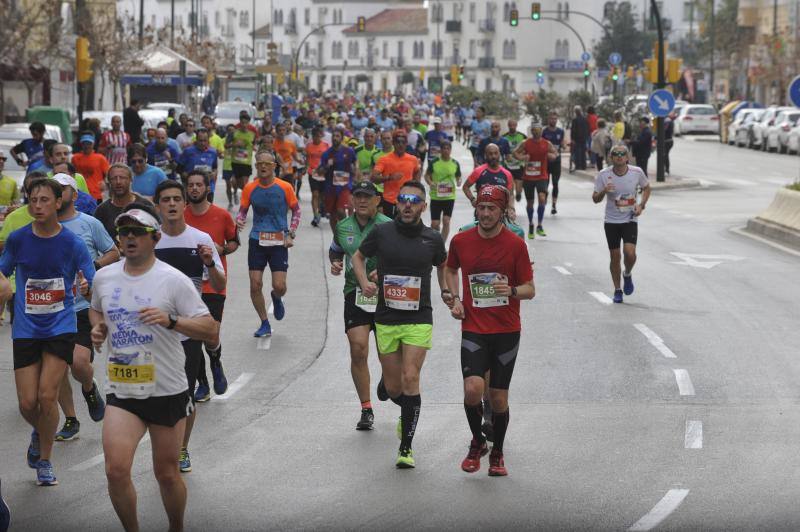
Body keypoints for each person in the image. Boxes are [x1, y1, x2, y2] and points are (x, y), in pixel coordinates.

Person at [89, 204, 218, 532]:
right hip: (123, 389)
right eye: (124, 232)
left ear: (155, 238)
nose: (129, 238)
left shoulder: (172, 281)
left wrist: (171, 320)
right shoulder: (104, 277)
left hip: (167, 389)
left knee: (166, 474)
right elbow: (96, 309)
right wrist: (99, 327)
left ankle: (176, 526)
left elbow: (210, 329)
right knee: (116, 471)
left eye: (137, 232)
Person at [0, 178, 95, 486]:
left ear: (58, 203)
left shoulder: (72, 243)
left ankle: (45, 460)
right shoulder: (17, 239)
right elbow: (3, 271)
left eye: (44, 200)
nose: (37, 205)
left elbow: (94, 281)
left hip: (60, 326)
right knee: (28, 403)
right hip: (26, 327)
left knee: (46, 395)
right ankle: (40, 430)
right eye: (33, 200)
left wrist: (87, 286)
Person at [352, 181, 450, 469]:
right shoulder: (382, 233)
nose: (408, 204)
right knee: (395, 388)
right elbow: (358, 257)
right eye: (404, 199)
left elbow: (443, 264)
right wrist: (364, 281)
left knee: (410, 378)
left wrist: (446, 291)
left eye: (414, 200)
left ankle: (405, 447)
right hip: (387, 318)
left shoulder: (433, 239)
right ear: (397, 203)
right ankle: (398, 399)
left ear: (423, 206)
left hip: (419, 319)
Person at [445, 185, 534, 476]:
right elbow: (450, 269)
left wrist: (509, 290)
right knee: (473, 389)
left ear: (502, 211)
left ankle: (497, 453)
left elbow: (529, 289)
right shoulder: (460, 240)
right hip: (474, 327)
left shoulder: (515, 245)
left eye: (491, 209)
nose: (485, 214)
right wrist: (455, 298)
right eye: (481, 208)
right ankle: (477, 441)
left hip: (507, 330)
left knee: (498, 399)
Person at [152, 180, 225, 472]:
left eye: (176, 199)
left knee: (185, 396)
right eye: (165, 200)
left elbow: (219, 284)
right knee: (155, 395)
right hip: (153, 334)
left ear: (184, 205)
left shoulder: (200, 239)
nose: (171, 204)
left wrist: (209, 264)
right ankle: (163, 447)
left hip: (188, 332)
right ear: (158, 206)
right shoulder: (150, 241)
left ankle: (181, 448)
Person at [52, 173, 119, 441]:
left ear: (74, 195)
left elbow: (114, 252)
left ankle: (89, 389)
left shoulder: (89, 223)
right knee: (56, 371)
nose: (58, 193)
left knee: (79, 363)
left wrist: (93, 269)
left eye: (63, 189)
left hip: (82, 305)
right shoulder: (43, 226)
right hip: (52, 309)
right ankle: (70, 419)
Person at [329, 181, 392, 431]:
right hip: (354, 293)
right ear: (352, 200)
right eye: (358, 196)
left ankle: (388, 380)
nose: (362, 201)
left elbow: (401, 257)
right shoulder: (343, 227)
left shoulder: (388, 226)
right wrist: (335, 263)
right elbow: (335, 251)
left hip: (386, 296)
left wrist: (384, 271)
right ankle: (366, 408)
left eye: (368, 196)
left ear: (378, 200)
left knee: (386, 353)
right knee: (358, 349)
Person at [184, 171, 239, 401]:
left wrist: (222, 249)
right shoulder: (180, 217)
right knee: (193, 338)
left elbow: (234, 242)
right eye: (191, 185)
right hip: (187, 286)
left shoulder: (222, 215)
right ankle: (203, 384)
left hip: (214, 284)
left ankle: (215, 360)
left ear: (208, 188)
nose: (194, 189)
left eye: (199, 185)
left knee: (210, 334)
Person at [237, 150, 301, 338]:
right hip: (257, 239)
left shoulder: (285, 187)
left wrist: (291, 234)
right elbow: (242, 211)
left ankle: (277, 297)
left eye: (267, 163)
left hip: (279, 241)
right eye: (259, 164)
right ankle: (264, 322)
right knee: (255, 284)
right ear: (256, 166)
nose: (263, 166)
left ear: (274, 166)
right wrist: (239, 220)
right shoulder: (250, 188)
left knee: (279, 286)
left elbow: (296, 212)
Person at [592, 144, 651, 303]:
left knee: (630, 253)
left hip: (629, 218)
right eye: (615, 154)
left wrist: (641, 205)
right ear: (611, 157)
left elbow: (647, 188)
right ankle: (617, 289)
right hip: (611, 220)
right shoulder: (604, 175)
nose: (619, 156)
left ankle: (627, 273)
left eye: (622, 153)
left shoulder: (636, 172)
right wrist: (604, 190)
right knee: (615, 256)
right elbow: (595, 199)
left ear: (627, 157)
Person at [513, 123, 558, 238]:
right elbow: (515, 153)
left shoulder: (546, 143)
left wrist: (551, 156)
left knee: (542, 198)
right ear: (532, 132)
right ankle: (531, 224)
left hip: (542, 176)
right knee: (530, 203)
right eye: (534, 130)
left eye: (538, 130)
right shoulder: (526, 143)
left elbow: (555, 153)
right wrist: (523, 158)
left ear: (541, 131)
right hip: (528, 177)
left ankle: (540, 225)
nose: (536, 132)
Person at [94, 164, 152, 240]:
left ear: (131, 180)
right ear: (109, 182)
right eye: (114, 178)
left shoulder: (145, 206)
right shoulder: (101, 211)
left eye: (122, 178)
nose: (118, 182)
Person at [372, 130, 421, 219]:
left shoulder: (413, 159)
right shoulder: (384, 159)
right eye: (398, 142)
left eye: (403, 142)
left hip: (407, 201)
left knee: (405, 229)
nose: (400, 144)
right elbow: (373, 178)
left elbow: (417, 171)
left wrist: (415, 184)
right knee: (390, 228)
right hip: (389, 201)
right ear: (393, 143)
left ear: (406, 143)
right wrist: (389, 177)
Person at [317, 129, 356, 233]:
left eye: (338, 136)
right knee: (332, 214)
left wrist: (356, 171)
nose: (335, 138)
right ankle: (336, 236)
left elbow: (355, 162)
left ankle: (344, 232)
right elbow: (320, 171)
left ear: (342, 138)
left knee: (340, 210)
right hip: (330, 187)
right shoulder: (327, 153)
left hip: (344, 186)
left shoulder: (349, 151)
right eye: (334, 136)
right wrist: (327, 165)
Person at [424, 140, 461, 241]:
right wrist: (430, 183)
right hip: (436, 196)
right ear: (440, 150)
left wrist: (459, 182)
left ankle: (442, 243)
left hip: (449, 196)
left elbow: (458, 177)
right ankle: (435, 238)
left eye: (448, 148)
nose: (446, 150)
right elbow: (427, 176)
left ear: (450, 150)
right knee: (435, 224)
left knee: (446, 221)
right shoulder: (434, 162)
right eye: (444, 148)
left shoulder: (455, 163)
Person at [462, 144, 514, 210]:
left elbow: (511, 194)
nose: (493, 156)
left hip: (501, 214)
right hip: (482, 213)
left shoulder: (507, 174)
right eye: (490, 154)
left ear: (499, 154)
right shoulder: (478, 171)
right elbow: (465, 187)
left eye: (496, 153)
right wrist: (472, 199)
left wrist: (511, 209)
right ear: (485, 155)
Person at [227, 111, 259, 205]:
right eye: (242, 122)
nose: (244, 125)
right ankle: (236, 193)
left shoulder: (252, 134)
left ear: (249, 123)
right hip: (235, 162)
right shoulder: (234, 133)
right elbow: (226, 145)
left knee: (244, 184)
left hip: (246, 162)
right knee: (235, 182)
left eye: (246, 123)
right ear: (240, 122)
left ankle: (244, 200)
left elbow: (254, 144)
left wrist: (254, 148)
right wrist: (234, 144)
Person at [177, 129, 218, 195]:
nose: (203, 143)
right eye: (200, 140)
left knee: (208, 205)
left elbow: (215, 167)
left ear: (208, 140)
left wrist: (214, 173)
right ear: (196, 139)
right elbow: (179, 169)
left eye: (205, 140)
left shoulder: (213, 152)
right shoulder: (188, 151)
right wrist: (188, 177)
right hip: (192, 189)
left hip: (208, 188)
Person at [72, 134, 110, 203]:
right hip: (79, 194)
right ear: (81, 145)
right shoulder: (75, 157)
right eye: (84, 143)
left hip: (96, 194)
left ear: (93, 144)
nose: (87, 146)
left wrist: (105, 182)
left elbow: (108, 173)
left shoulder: (100, 158)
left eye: (89, 143)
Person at [541, 112, 565, 215]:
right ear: (548, 120)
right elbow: (541, 144)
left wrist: (564, 145)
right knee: (545, 183)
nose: (553, 120)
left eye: (555, 119)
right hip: (546, 161)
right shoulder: (544, 132)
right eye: (551, 119)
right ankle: (545, 197)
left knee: (555, 183)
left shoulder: (560, 131)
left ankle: (554, 205)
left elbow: (562, 143)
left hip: (556, 161)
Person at [305, 127, 329, 227]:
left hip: (323, 173)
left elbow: (329, 159)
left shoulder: (326, 145)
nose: (317, 138)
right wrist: (305, 168)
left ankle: (321, 210)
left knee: (323, 195)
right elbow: (307, 158)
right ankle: (315, 215)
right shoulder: (309, 146)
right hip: (313, 173)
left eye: (318, 136)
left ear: (321, 136)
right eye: (315, 136)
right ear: (312, 136)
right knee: (315, 194)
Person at [502, 120, 527, 202]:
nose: (512, 127)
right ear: (508, 125)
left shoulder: (522, 136)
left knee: (519, 189)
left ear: (516, 125)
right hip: (508, 165)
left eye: (514, 125)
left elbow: (527, 148)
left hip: (519, 165)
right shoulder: (504, 137)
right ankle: (511, 206)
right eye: (510, 125)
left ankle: (519, 193)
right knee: (510, 188)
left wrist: (523, 156)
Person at [570, 106, 589, 171]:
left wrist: (572, 139)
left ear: (575, 112)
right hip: (583, 138)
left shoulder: (574, 120)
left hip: (577, 138)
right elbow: (587, 129)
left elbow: (573, 130)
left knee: (578, 152)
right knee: (583, 152)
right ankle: (584, 166)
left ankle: (578, 166)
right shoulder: (585, 119)